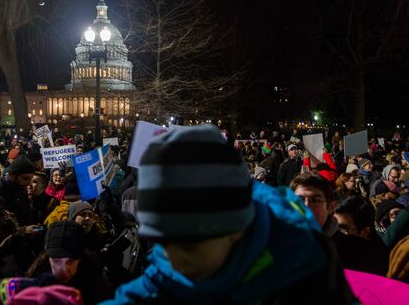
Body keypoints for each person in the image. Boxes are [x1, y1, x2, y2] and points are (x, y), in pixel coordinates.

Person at [104, 125, 354, 304]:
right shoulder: (174, 255)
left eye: (189, 246)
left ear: (235, 228)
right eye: (162, 241)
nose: (173, 258)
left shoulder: (305, 261)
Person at [0, 155, 36, 226]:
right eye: (26, 178)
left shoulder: (21, 190)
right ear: (13, 176)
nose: (29, 183)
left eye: (31, 179)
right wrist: (22, 231)